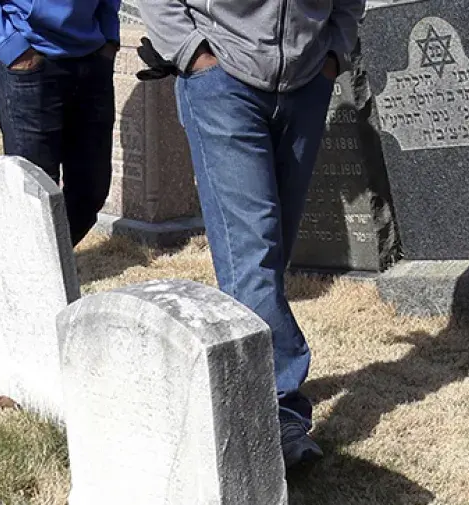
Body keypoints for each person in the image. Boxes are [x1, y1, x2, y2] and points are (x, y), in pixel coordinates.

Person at [136, 0, 363, 468]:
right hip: (222, 81)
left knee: (270, 251)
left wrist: (333, 55)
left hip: (305, 84)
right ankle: (275, 411)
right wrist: (194, 54)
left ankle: (235, 378)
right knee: (252, 249)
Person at [0, 0, 121, 246]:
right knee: (33, 195)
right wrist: (14, 49)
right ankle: (25, 274)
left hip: (92, 60)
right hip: (27, 61)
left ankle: (43, 267)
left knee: (91, 191)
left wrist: (109, 36)